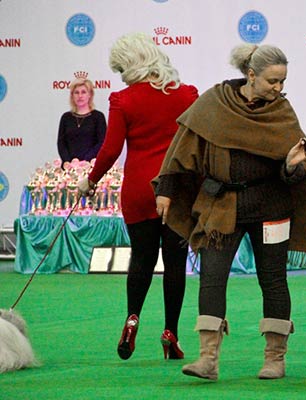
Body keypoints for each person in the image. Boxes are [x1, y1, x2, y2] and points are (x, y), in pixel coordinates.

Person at [153, 43, 306, 381]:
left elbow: (294, 174)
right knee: (212, 277)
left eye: (283, 81)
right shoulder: (214, 102)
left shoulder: (281, 111)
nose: (279, 88)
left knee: (273, 280)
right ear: (251, 75)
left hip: (272, 206)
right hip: (221, 205)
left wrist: (291, 165)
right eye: (272, 81)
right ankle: (208, 359)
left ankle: (275, 359)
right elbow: (182, 148)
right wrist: (165, 190)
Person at [77, 33, 198, 361]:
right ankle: (170, 333)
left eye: (121, 69)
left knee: (142, 258)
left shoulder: (123, 99)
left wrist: (90, 180)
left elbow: (110, 150)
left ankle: (132, 320)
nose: (120, 76)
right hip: (177, 189)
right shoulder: (186, 94)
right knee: (175, 262)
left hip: (138, 190)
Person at [57, 78, 107, 164]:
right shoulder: (66, 117)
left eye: (83, 92)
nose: (80, 96)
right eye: (76, 92)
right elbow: (61, 143)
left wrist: (85, 162)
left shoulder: (98, 117)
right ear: (72, 96)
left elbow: (102, 142)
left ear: (90, 95)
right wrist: (69, 162)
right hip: (69, 167)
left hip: (92, 165)